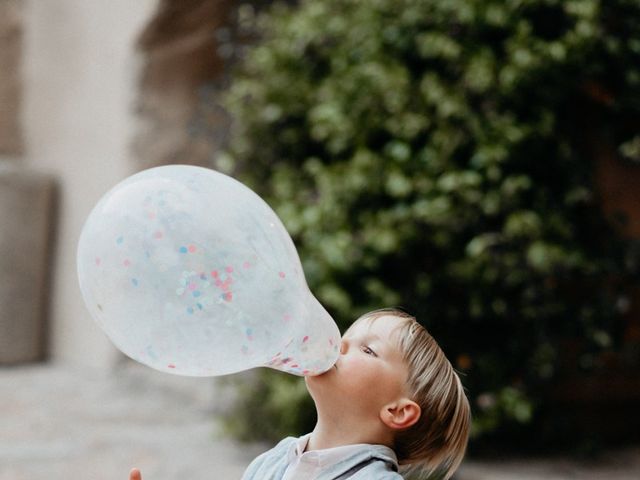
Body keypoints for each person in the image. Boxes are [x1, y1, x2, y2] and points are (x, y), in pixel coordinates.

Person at [129, 308, 471, 480]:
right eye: (344, 340)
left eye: (367, 350)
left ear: (397, 411)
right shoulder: (271, 462)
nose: (339, 347)